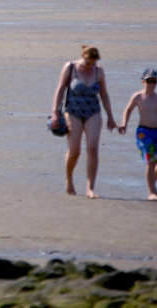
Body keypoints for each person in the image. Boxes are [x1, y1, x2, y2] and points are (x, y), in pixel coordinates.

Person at [49, 46, 117, 198]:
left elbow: (104, 94)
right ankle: (69, 180)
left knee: (92, 149)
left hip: (93, 112)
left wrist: (110, 117)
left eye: (93, 63)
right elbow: (60, 90)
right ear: (83, 56)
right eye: (88, 62)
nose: (90, 65)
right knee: (75, 151)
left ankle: (90, 188)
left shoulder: (98, 71)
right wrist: (55, 112)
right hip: (73, 112)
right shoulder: (70, 68)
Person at [118, 69, 157, 201]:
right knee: (151, 161)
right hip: (144, 133)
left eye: (154, 81)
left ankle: (152, 181)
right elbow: (128, 110)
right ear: (143, 81)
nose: (151, 84)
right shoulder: (138, 97)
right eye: (149, 81)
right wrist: (124, 124)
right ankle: (152, 191)